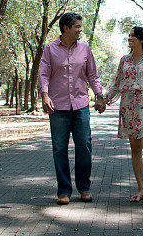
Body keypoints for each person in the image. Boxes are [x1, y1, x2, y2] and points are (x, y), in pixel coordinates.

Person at [95, 26, 143, 208]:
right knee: (135, 147)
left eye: (132, 36)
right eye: (128, 36)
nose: (129, 39)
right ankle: (140, 190)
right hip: (128, 106)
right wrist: (104, 100)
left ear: (141, 39)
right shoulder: (124, 60)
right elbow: (116, 83)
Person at [39, 12, 105, 205]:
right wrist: (44, 95)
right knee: (59, 148)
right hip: (57, 107)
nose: (80, 30)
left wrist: (99, 96)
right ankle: (64, 191)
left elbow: (92, 75)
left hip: (81, 104)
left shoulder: (85, 49)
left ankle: (84, 187)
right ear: (66, 28)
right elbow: (43, 74)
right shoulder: (50, 49)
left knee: (84, 145)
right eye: (77, 26)